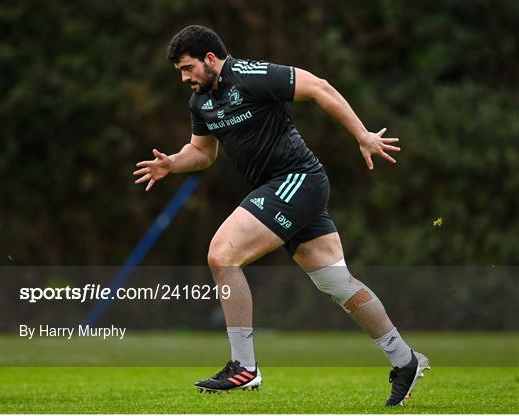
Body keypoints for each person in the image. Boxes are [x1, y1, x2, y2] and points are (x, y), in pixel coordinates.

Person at [134, 25, 429, 406]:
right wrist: (173, 163)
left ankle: (244, 366)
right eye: (179, 71)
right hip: (285, 187)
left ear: (210, 59)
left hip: (296, 179)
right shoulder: (201, 103)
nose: (184, 77)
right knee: (336, 283)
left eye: (188, 67)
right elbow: (203, 153)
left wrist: (362, 135)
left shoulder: (252, 76)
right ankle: (403, 359)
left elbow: (320, 87)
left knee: (222, 254)